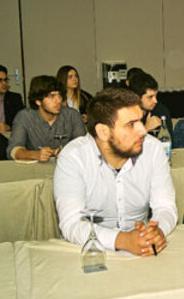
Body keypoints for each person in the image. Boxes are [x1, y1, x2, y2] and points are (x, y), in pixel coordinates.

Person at [54, 88, 177, 255]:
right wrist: (123, 240)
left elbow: (165, 207)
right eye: (131, 124)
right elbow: (72, 223)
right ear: (103, 132)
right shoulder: (73, 157)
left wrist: (157, 231)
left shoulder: (153, 149)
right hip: (89, 253)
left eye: (141, 121)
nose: (143, 130)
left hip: (144, 248)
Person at [7, 76, 85, 161]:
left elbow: (83, 147)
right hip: (34, 167)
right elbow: (12, 150)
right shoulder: (24, 117)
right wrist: (35, 154)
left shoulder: (73, 116)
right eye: (52, 96)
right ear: (38, 101)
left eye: (59, 95)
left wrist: (67, 152)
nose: (58, 100)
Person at [128, 72, 173, 141]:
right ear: (137, 97)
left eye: (156, 95)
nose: (155, 101)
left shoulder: (161, 110)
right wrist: (145, 129)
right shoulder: (125, 115)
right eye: (150, 97)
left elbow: (168, 142)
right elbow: (124, 145)